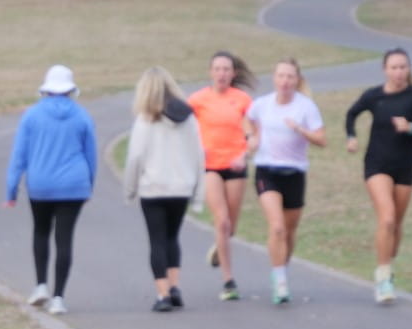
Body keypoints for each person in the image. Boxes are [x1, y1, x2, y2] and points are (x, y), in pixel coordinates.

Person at [345, 48, 412, 304]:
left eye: (403, 67)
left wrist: (411, 128)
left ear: (408, 69)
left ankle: (388, 264)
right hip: (376, 165)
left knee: (396, 224)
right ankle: (383, 278)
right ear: (385, 70)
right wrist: (351, 137)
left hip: (405, 166)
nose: (398, 72)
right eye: (394, 67)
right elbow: (352, 113)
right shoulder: (374, 96)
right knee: (386, 219)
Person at [4, 64, 97, 315]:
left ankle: (41, 285)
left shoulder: (32, 116)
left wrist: (11, 190)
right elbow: (91, 156)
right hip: (74, 186)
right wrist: (89, 185)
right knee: (64, 238)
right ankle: (59, 297)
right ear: (70, 90)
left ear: (46, 89)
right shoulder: (82, 116)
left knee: (41, 232)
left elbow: (19, 156)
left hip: (41, 185)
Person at [123, 66, 205, 311]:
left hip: (154, 187)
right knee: (172, 236)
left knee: (157, 240)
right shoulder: (188, 118)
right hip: (181, 187)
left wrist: (130, 188)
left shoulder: (146, 119)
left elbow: (135, 156)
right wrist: (197, 192)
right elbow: (198, 154)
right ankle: (174, 284)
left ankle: (163, 294)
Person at [247, 58, 326, 305]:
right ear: (274, 78)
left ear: (297, 80)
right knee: (277, 227)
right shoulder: (262, 105)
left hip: (294, 173)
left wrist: (301, 131)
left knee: (289, 232)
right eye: (281, 76)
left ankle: (281, 270)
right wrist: (251, 136)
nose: (285, 81)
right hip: (266, 171)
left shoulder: (306, 107)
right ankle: (280, 281)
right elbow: (247, 118)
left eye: (290, 77)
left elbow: (322, 139)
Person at [187, 51, 255, 301]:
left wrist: (244, 154)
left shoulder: (242, 99)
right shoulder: (198, 100)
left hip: (235, 166)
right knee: (222, 221)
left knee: (231, 227)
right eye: (217, 69)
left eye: (226, 69)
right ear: (210, 72)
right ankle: (228, 281)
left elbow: (252, 133)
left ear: (233, 74)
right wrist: (195, 147)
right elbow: (182, 125)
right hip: (210, 166)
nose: (222, 74)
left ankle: (220, 245)